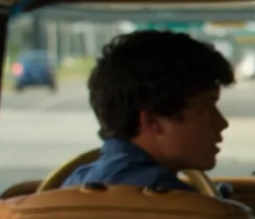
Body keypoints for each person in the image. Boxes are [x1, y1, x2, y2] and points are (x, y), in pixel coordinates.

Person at [64, 29, 232, 189]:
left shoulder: (75, 182)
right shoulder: (181, 206)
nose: (222, 123)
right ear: (152, 121)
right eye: (206, 108)